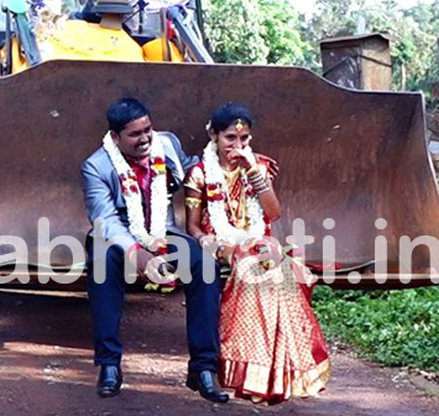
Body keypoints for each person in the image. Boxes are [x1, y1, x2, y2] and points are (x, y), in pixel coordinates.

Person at [81, 97, 229, 403]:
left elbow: (193, 170)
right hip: (115, 236)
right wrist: (138, 253)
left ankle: (203, 368)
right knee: (101, 266)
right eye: (135, 134)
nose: (146, 138)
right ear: (115, 137)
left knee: (204, 264)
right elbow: (105, 220)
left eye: (148, 129)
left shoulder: (167, 144)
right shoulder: (96, 166)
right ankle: (109, 364)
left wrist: (231, 159)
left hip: (164, 233)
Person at [185, 102, 330, 404]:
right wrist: (206, 243)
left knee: (280, 269)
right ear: (214, 136)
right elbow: (194, 226)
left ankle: (278, 373)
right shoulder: (200, 174)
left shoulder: (258, 168)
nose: (237, 146)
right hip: (222, 243)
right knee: (255, 267)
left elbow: (273, 214)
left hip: (259, 241)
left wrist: (253, 171)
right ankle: (244, 372)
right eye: (230, 139)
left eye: (244, 139)